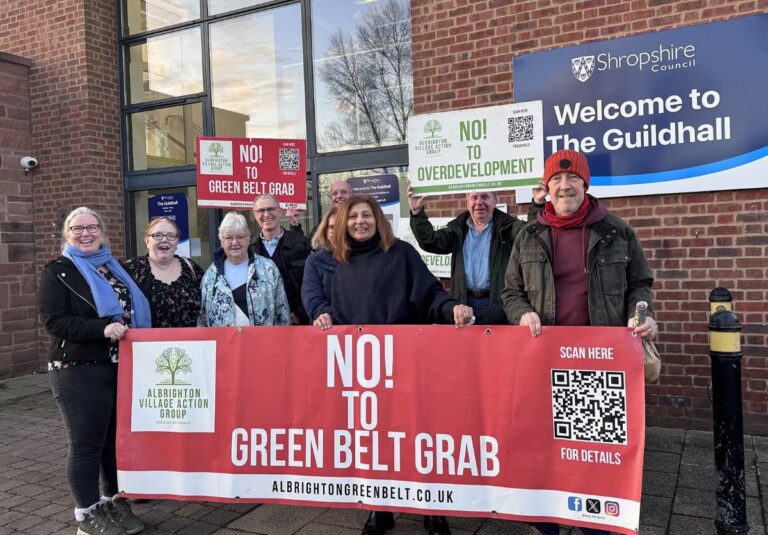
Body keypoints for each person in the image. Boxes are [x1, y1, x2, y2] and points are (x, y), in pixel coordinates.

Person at [501, 150, 657, 535]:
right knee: (544, 444)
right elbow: (511, 292)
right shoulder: (528, 236)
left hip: (599, 361)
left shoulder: (616, 231)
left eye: (572, 179)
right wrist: (522, 313)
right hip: (544, 360)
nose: (564, 186)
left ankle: (595, 520)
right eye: (556, 179)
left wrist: (641, 315)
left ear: (585, 184)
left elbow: (640, 284)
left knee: (595, 448)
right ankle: (546, 519)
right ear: (547, 187)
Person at [321, 195, 474, 535]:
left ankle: (433, 509)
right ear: (344, 223)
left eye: (367, 215)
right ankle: (380, 508)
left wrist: (451, 309)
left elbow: (430, 294)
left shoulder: (401, 254)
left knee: (419, 435)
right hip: (366, 372)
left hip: (406, 364)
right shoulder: (342, 265)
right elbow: (342, 316)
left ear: (378, 220)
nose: (360, 221)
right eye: (353, 217)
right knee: (375, 442)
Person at [38, 207, 151, 535]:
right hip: (78, 368)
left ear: (102, 231)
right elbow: (55, 322)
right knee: (86, 443)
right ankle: (86, 514)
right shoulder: (58, 271)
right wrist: (101, 329)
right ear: (67, 234)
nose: (85, 233)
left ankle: (114, 502)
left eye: (92, 227)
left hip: (120, 367)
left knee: (114, 442)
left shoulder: (114, 267)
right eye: (77, 228)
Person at [407, 184, 546, 323]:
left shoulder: (508, 227)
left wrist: (538, 203)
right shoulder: (457, 229)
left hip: (497, 305)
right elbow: (430, 241)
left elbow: (531, 238)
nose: (479, 202)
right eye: (474, 197)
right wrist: (417, 212)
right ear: (467, 203)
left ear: (494, 201)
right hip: (463, 303)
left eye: (485, 197)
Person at [200, 211, 290, 327]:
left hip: (262, 338)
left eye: (240, 237)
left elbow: (282, 312)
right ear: (221, 241)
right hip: (223, 339)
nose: (234, 242)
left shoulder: (268, 268)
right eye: (229, 238)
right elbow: (202, 318)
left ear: (248, 239)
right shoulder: (211, 275)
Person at [125, 216, 204, 328]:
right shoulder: (133, 269)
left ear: (177, 242)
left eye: (171, 236)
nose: (164, 240)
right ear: (147, 241)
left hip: (190, 339)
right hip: (146, 339)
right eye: (157, 235)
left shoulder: (191, 269)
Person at [252, 194, 312, 324]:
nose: (266, 214)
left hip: (297, 323)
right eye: (261, 211)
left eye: (271, 209)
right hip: (261, 326)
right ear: (255, 215)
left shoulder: (301, 243)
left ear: (279, 212)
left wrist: (300, 314)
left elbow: (311, 283)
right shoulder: (249, 249)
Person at [301, 207, 338, 327]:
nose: (336, 232)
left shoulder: (363, 258)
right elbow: (311, 296)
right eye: (331, 227)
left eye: (341, 226)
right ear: (325, 231)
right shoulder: (315, 260)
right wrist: (324, 314)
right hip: (328, 329)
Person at [288, 179, 352, 236]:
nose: (339, 196)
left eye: (344, 192)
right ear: (331, 199)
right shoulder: (321, 229)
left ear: (352, 196)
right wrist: (295, 225)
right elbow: (304, 245)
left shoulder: (356, 222)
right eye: (335, 193)